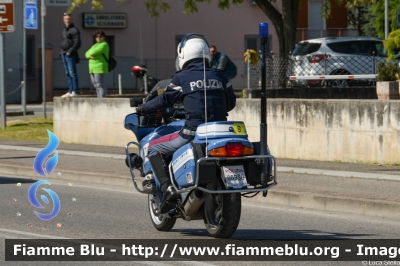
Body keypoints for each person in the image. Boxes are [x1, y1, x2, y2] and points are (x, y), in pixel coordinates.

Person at [136, 34, 236, 214]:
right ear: (205, 53)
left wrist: (144, 107)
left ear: (183, 54)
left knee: (153, 148)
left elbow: (164, 101)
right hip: (220, 134)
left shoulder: (182, 77)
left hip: (192, 133)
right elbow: (231, 104)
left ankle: (168, 189)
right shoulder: (220, 76)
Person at [60, 12, 81, 98]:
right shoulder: (64, 30)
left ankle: (75, 91)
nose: (67, 20)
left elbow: (78, 42)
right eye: (65, 19)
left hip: (70, 54)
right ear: (63, 20)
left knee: (72, 73)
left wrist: (70, 51)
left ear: (71, 19)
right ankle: (70, 90)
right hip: (63, 53)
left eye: (68, 19)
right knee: (67, 73)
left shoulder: (74, 30)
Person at [85, 30, 110, 98]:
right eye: (96, 36)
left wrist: (90, 54)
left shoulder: (104, 45)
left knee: (100, 85)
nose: (98, 38)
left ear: (103, 37)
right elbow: (86, 53)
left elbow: (93, 52)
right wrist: (88, 55)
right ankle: (98, 98)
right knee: (95, 85)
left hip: (99, 67)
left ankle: (101, 100)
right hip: (92, 68)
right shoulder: (95, 45)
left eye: (100, 36)